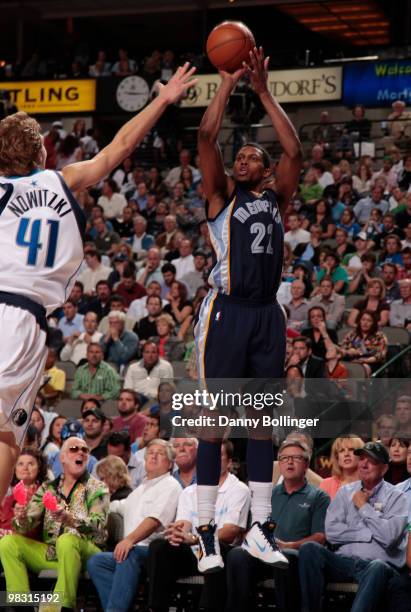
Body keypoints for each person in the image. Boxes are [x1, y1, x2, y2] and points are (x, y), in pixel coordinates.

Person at [0, 63, 198, 504]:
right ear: (42, 154)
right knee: (6, 437)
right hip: (24, 321)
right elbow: (119, 147)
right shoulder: (63, 180)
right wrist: (162, 101)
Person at [195, 46, 302, 571]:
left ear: (264, 170)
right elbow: (205, 138)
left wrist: (262, 91)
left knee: (262, 422)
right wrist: (225, 83)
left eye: (252, 156)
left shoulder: (277, 198)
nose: (242, 158)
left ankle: (261, 527)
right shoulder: (219, 196)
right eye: (239, 156)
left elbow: (295, 150)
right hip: (227, 312)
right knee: (214, 419)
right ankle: (206, 529)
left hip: (266, 315)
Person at [0, 436, 110, 610]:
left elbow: (98, 527)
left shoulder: (97, 488)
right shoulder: (48, 488)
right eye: (74, 449)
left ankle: (63, 606)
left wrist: (70, 519)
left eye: (84, 450)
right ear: (63, 458)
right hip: (53, 553)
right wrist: (21, 518)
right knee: (8, 542)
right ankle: (20, 604)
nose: (80, 452)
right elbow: (27, 524)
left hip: (87, 552)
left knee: (67, 540)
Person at [298, 441, 408, 612]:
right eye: (362, 458)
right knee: (309, 549)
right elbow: (332, 531)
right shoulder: (345, 492)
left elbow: (389, 538)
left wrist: (363, 507)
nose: (363, 464)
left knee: (377, 566)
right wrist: (367, 534)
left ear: (384, 469)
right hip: (344, 562)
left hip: (376, 567)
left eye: (371, 460)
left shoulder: (397, 497)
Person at [226, 439, 330, 612]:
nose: (289, 462)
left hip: (295, 556)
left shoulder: (318, 496)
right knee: (237, 554)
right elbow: (247, 531)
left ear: (306, 464)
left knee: (285, 555)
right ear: (279, 464)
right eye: (284, 458)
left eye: (296, 458)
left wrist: (289, 545)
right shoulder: (266, 494)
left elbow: (320, 537)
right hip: (263, 553)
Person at [147, 441, 250, 612]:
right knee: (160, 546)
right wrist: (177, 533)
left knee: (211, 548)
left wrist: (195, 539)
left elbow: (230, 532)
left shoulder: (238, 489)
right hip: (193, 552)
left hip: (223, 552)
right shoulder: (190, 492)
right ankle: (156, 607)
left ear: (229, 462)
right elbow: (185, 524)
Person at [87, 439, 181, 612]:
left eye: (160, 453)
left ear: (169, 464)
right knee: (96, 562)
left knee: (127, 554)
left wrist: (129, 540)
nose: (153, 456)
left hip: (153, 553)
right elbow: (117, 506)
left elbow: (154, 520)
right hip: (131, 551)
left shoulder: (171, 486)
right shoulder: (137, 491)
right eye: (150, 452)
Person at [341, 311, 388, 377]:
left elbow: (381, 355)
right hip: (352, 360)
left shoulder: (380, 336)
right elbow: (343, 348)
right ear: (359, 321)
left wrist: (364, 360)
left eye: (369, 321)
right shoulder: (352, 334)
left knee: (363, 368)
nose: (365, 323)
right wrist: (350, 352)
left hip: (371, 362)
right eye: (363, 320)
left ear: (373, 323)